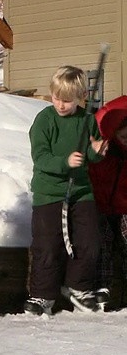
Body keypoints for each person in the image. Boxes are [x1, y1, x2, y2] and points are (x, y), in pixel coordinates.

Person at [24, 65, 107, 315]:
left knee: (89, 241)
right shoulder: (45, 120)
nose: (61, 105)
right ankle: (41, 295)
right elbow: (40, 157)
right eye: (56, 98)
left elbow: (90, 155)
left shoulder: (87, 119)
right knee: (48, 245)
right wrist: (65, 162)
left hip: (81, 191)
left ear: (80, 97)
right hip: (49, 192)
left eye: (67, 101)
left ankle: (78, 288)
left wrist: (97, 152)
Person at [89, 95, 127, 311]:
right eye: (124, 133)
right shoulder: (105, 153)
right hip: (101, 207)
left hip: (124, 210)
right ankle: (101, 287)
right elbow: (91, 176)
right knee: (101, 240)